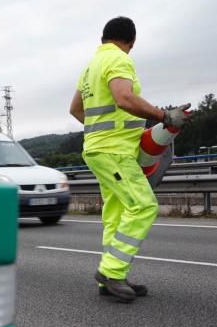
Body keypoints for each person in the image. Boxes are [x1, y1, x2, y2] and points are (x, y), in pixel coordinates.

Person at [69, 16, 191, 302]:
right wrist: (164, 116)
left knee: (115, 214)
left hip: (99, 150)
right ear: (131, 42)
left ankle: (112, 278)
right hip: (115, 153)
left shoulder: (90, 67)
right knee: (144, 206)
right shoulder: (119, 60)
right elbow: (124, 98)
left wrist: (102, 126)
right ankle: (111, 270)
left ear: (104, 37)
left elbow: (75, 109)